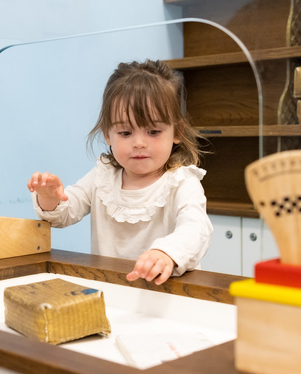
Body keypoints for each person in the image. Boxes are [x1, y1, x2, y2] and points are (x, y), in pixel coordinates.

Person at [27, 60, 213, 285]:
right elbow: (64, 214)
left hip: (167, 296)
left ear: (177, 132)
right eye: (125, 133)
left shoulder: (182, 182)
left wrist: (167, 253)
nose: (139, 143)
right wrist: (49, 197)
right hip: (111, 292)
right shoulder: (102, 177)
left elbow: (196, 229)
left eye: (153, 131)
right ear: (107, 134)